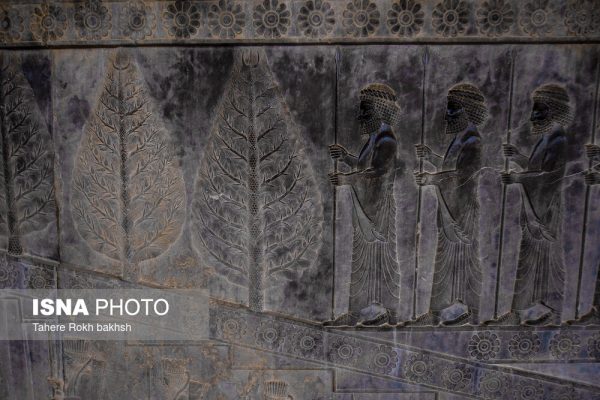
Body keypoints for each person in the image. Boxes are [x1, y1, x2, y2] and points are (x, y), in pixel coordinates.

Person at [491, 84, 571, 326]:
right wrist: (517, 157)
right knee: (528, 260)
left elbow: (547, 178)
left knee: (545, 260)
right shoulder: (545, 139)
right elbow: (536, 169)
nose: (531, 116)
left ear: (553, 112)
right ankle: (521, 309)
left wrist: (516, 178)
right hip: (534, 209)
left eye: (537, 112)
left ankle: (549, 309)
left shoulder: (558, 141)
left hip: (545, 211)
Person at [408, 83, 486, 326]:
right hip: (450, 207)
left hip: (461, 211)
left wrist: (431, 179)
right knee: (446, 259)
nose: (447, 115)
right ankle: (442, 307)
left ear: (467, 111)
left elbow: (461, 175)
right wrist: (432, 158)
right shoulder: (460, 138)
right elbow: (451, 165)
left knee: (459, 260)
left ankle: (461, 307)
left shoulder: (473, 141)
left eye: (452, 110)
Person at [326, 83, 402, 326]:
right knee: (362, 259)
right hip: (365, 206)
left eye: (365, 112)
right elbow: (363, 167)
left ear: (379, 112)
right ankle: (359, 309)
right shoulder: (372, 139)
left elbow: (376, 173)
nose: (360, 117)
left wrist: (347, 180)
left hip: (377, 210)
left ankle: (379, 309)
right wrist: (345, 157)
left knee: (375, 257)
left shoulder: (387, 141)